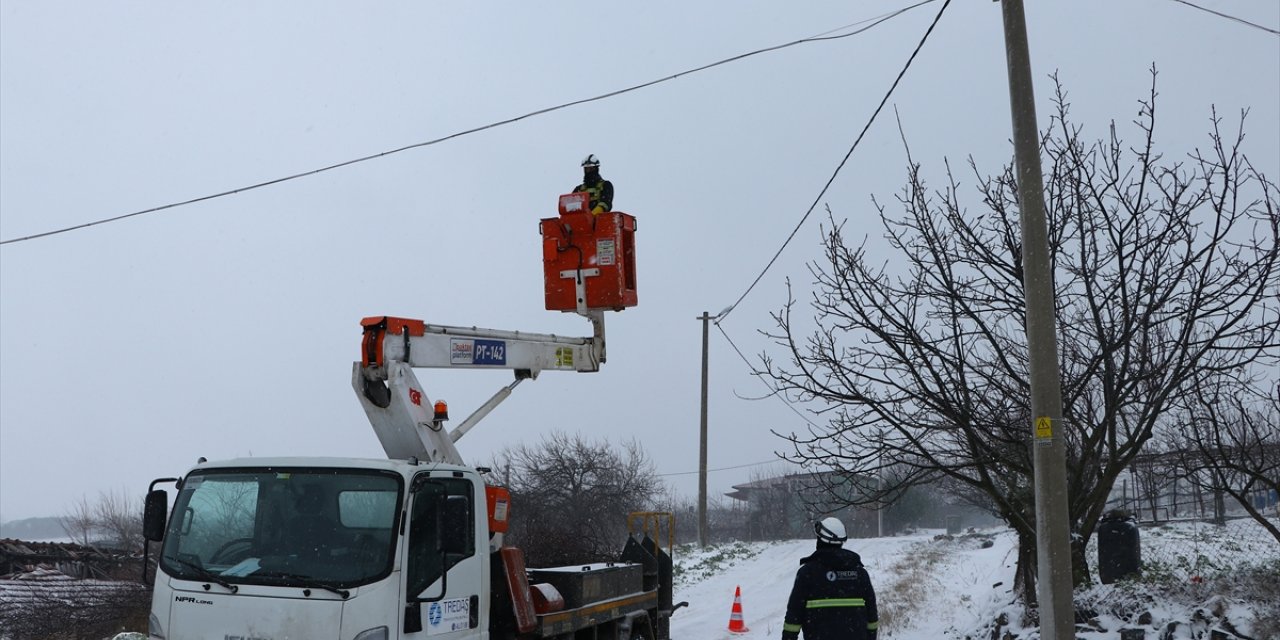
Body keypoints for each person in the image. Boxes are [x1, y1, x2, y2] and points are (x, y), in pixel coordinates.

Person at [782, 517, 879, 640]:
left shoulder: (807, 573)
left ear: (820, 539)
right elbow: (872, 615)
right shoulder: (860, 573)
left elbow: (793, 617)